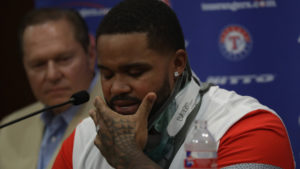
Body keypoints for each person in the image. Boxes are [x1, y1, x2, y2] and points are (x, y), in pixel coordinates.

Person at [52, 0, 295, 168]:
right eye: (107, 75)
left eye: (135, 72)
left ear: (177, 63)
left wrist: (132, 161)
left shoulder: (246, 127)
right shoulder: (82, 141)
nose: (117, 88)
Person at [0, 8, 103, 169]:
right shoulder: (8, 129)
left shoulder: (119, 114)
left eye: (64, 59)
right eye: (38, 64)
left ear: (90, 54)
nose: (52, 75)